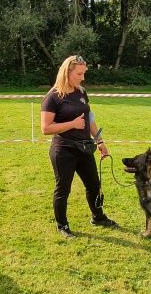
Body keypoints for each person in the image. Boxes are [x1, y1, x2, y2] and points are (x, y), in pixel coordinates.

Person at [41, 55, 117, 238]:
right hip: (63, 150)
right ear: (67, 72)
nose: (83, 77)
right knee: (63, 190)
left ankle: (98, 217)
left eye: (84, 73)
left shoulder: (81, 92)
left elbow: (89, 119)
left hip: (84, 149)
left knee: (94, 185)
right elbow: (46, 128)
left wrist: (99, 140)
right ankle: (62, 226)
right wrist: (72, 124)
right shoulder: (52, 97)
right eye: (79, 73)